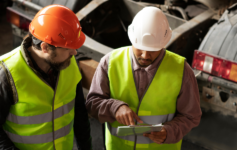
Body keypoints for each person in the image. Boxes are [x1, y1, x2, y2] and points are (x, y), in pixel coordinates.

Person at [86, 7, 201, 150]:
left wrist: (169, 132)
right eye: (140, 47)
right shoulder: (110, 62)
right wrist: (115, 108)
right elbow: (92, 104)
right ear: (132, 38)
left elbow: (191, 116)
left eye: (152, 49)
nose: (145, 55)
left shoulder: (181, 70)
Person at [0, 4, 92, 150]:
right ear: (45, 47)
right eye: (67, 48)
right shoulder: (5, 76)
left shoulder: (68, 64)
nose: (74, 53)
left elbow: (80, 115)